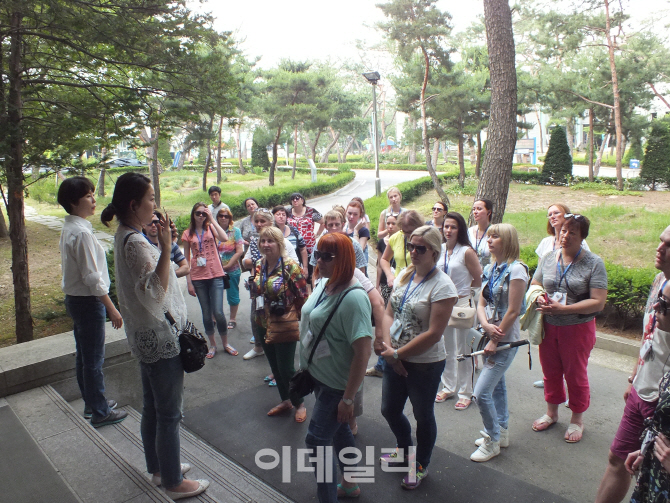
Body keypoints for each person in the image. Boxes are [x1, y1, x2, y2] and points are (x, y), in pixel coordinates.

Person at [102, 172, 209, 500]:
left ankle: (160, 467)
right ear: (135, 204)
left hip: (144, 336)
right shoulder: (134, 241)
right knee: (168, 412)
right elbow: (154, 292)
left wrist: (162, 246)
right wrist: (165, 249)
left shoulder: (125, 234)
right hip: (161, 337)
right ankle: (173, 481)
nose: (155, 206)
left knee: (153, 406)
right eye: (151, 199)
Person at [595, 226, 670, 503]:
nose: (659, 249)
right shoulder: (658, 280)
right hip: (640, 390)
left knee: (652, 476)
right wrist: (634, 377)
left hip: (663, 403)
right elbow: (649, 337)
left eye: (668, 245)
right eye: (660, 241)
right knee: (618, 458)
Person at [378, 226, 458, 490]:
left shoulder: (443, 286)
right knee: (389, 409)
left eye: (420, 248)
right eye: (411, 246)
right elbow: (390, 314)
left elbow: (435, 334)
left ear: (434, 252)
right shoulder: (404, 274)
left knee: (423, 415)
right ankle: (403, 450)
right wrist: (390, 353)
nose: (413, 252)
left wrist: (397, 354)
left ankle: (420, 464)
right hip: (394, 356)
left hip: (425, 364)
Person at [299, 232, 373, 501]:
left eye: (327, 256)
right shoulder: (325, 282)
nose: (319, 260)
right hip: (319, 375)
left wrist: (349, 398)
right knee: (340, 430)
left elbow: (363, 354)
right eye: (317, 254)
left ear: (344, 259)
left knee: (316, 441)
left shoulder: (354, 298)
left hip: (336, 385)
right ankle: (350, 484)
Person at [531, 214, 607, 443]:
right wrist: (538, 298)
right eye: (563, 231)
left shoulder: (594, 262)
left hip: (577, 328)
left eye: (572, 232)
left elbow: (598, 301)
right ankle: (551, 413)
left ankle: (577, 419)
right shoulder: (548, 258)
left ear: (582, 237)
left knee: (575, 374)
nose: (565, 236)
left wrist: (565, 310)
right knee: (550, 370)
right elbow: (535, 283)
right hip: (549, 324)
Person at [57, 176, 126, 427]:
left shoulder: (72, 228)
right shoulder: (80, 233)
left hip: (76, 300)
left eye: (93, 194)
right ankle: (100, 411)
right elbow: (92, 278)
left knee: (84, 357)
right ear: (74, 202)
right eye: (88, 196)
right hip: (88, 302)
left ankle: (93, 403)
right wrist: (112, 308)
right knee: (93, 360)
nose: (94, 200)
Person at [470, 223, 528, 463]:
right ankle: (501, 431)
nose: (490, 240)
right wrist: (484, 325)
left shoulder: (517, 270)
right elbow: (481, 303)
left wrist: (495, 338)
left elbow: (513, 311)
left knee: (481, 393)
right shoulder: (491, 267)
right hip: (490, 332)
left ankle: (492, 439)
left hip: (506, 339)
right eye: (489, 236)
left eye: (496, 236)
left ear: (508, 241)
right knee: (498, 385)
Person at [250, 227, 308, 422]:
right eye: (263, 241)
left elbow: (303, 295)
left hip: (284, 323)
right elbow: (256, 289)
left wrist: (298, 318)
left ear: (280, 244)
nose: (266, 244)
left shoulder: (290, 266)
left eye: (270, 241)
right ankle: (286, 400)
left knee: (286, 368)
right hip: (262, 321)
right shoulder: (259, 264)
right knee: (275, 367)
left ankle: (299, 402)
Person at [368, 210, 424, 379]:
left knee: (411, 324)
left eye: (410, 231)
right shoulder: (396, 238)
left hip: (418, 286)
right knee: (391, 323)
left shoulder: (424, 239)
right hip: (399, 286)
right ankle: (385, 362)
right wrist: (390, 275)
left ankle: (405, 359)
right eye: (404, 230)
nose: (407, 235)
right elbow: (384, 260)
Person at [435, 212, 482, 410]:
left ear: (460, 229)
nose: (448, 230)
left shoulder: (466, 251)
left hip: (462, 304)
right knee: (446, 348)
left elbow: (478, 278)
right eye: (446, 226)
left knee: (464, 351)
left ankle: (466, 392)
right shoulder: (441, 249)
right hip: (443, 304)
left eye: (453, 227)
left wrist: (468, 297)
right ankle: (448, 386)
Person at [242, 208, 299, 360]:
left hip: (280, 303)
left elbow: (296, 271)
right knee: (257, 319)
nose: (259, 224)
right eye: (257, 221)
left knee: (283, 359)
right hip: (261, 299)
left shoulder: (284, 244)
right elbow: (245, 261)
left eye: (263, 221)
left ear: (271, 222)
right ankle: (259, 347)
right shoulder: (256, 246)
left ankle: (278, 367)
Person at [182, 202, 235, 359]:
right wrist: (189, 281)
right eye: (198, 213)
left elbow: (224, 237)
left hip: (216, 274)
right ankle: (212, 344)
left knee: (218, 312)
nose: (200, 216)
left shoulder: (210, 227)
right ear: (193, 214)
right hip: (198, 277)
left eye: (203, 213)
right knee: (206, 314)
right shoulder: (187, 234)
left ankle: (225, 343)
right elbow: (186, 258)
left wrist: (212, 219)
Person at [309, 210, 367, 286]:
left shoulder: (353, 245)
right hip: (325, 286)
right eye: (330, 225)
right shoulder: (319, 245)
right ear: (325, 226)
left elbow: (361, 269)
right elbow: (315, 272)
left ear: (342, 225)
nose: (334, 228)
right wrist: (315, 289)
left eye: (337, 224)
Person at [215, 207, 244, 330]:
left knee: (232, 294)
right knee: (214, 295)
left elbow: (239, 251)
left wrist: (228, 265)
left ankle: (232, 319)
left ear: (230, 218)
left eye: (226, 216)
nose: (223, 218)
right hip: (215, 270)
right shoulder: (213, 231)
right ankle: (214, 317)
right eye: (221, 215)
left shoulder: (235, 231)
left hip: (232, 269)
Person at [287, 192, 324, 286]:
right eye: (293, 199)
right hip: (294, 246)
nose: (295, 200)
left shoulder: (311, 211)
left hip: (309, 246)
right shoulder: (287, 212)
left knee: (311, 271)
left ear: (302, 200)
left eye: (297, 198)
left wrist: (317, 234)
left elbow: (323, 222)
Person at [142, 211, 189, 278]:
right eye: (150, 223)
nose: (153, 225)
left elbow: (186, 268)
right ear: (144, 225)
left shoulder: (171, 244)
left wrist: (169, 276)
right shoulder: (142, 245)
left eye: (156, 222)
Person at [272, 205, 309, 277]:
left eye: (283, 215)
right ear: (273, 216)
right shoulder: (271, 232)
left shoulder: (294, 230)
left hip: (294, 268)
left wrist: (305, 267)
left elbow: (303, 249)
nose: (281, 216)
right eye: (278, 214)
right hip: (277, 270)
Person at [376, 213, 399, 306]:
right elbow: (379, 265)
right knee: (386, 307)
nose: (390, 226)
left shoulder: (403, 241)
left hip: (398, 280)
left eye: (393, 223)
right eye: (388, 223)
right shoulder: (381, 242)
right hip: (385, 281)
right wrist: (377, 286)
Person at [344, 200, 370, 275]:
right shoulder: (343, 228)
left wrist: (356, 231)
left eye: (355, 214)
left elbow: (359, 250)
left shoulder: (363, 230)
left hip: (358, 270)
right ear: (346, 211)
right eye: (349, 213)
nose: (351, 217)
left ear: (360, 215)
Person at [468, 199, 493, 268]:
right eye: (474, 209)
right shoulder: (469, 232)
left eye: (479, 209)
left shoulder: (495, 232)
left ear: (488, 212)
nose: (475, 212)